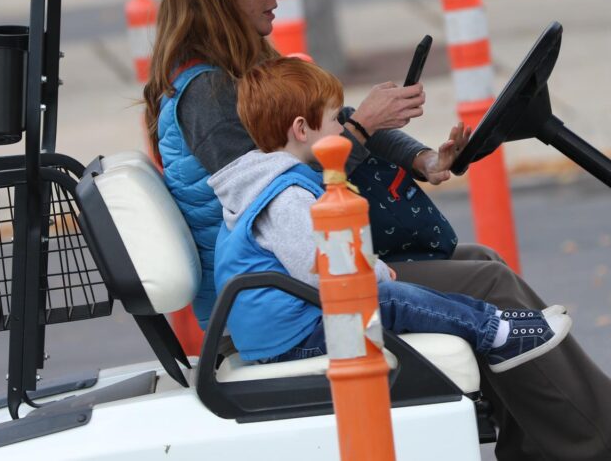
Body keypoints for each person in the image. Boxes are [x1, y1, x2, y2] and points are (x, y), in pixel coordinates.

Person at [143, 0, 611, 461]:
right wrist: (361, 129)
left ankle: (545, 449)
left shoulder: (241, 72)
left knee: (482, 263)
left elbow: (323, 127)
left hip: (298, 277)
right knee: (491, 285)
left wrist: (423, 158)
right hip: (282, 303)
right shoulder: (207, 94)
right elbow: (274, 192)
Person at [212, 57, 572, 372]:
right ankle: (496, 334)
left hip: (293, 329)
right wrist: (378, 272)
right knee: (390, 298)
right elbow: (325, 271)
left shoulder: (275, 182)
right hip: (294, 339)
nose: (342, 127)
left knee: (395, 294)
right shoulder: (285, 197)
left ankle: (496, 323)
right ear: (302, 129)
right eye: (335, 119)